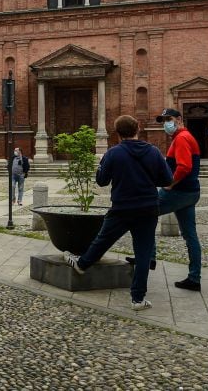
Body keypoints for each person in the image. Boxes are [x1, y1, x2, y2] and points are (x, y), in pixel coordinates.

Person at [64, 115, 172, 311]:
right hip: (148, 208)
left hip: (122, 207)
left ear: (117, 133)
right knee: (144, 253)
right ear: (138, 128)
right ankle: (138, 299)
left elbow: (102, 181)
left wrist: (101, 167)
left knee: (103, 239)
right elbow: (167, 179)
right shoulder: (153, 152)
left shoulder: (113, 153)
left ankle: (82, 264)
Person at [155, 108, 203, 292]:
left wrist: (170, 184)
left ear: (179, 120)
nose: (166, 122)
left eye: (169, 119)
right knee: (190, 235)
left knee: (144, 212)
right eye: (164, 120)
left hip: (179, 192)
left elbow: (184, 167)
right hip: (191, 192)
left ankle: (148, 258)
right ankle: (194, 278)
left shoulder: (182, 138)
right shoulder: (186, 137)